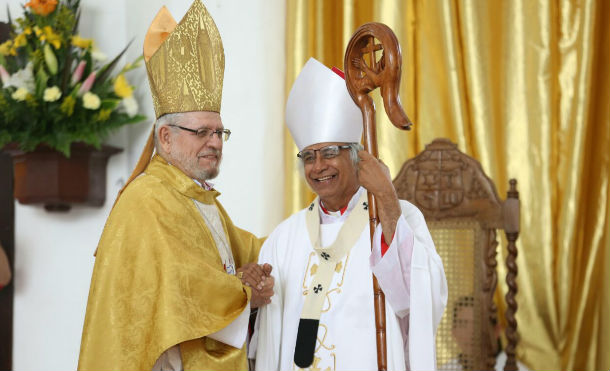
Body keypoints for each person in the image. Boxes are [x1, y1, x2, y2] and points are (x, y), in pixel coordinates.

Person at [78, 1, 272, 370]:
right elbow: (183, 287)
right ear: (165, 138)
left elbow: (248, 250)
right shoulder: (145, 200)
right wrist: (244, 291)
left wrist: (309, 235)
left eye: (219, 132)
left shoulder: (198, 197)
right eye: (201, 132)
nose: (214, 142)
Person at [250, 58, 448, 371]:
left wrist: (386, 196)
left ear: (357, 157)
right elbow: (266, 338)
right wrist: (252, 300)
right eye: (309, 157)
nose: (318, 167)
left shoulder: (399, 216)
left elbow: (417, 302)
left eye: (330, 153)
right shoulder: (284, 238)